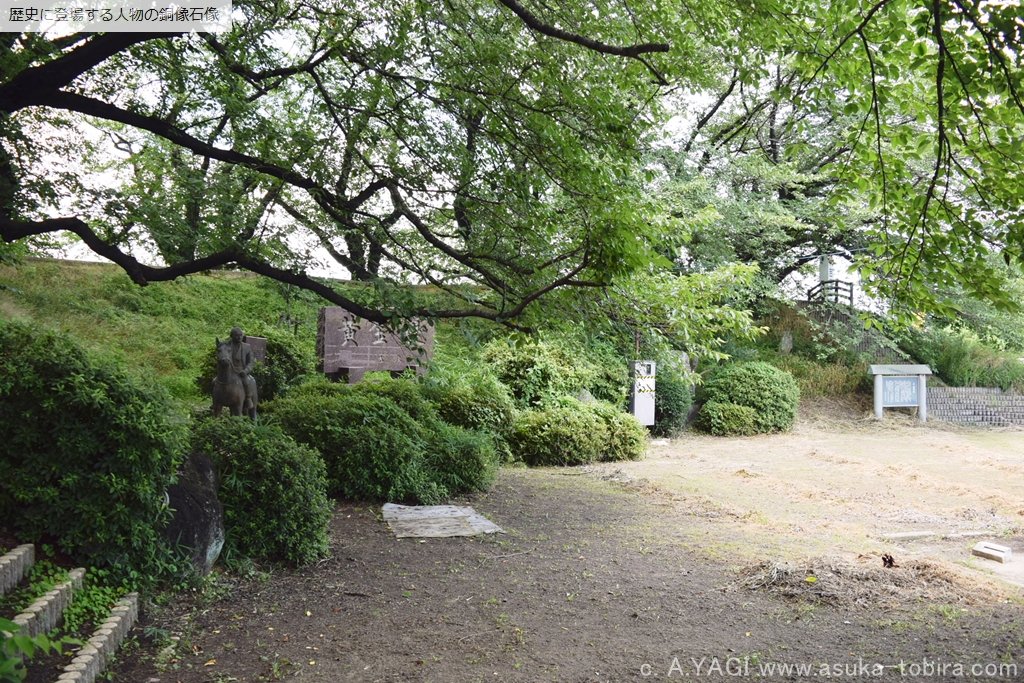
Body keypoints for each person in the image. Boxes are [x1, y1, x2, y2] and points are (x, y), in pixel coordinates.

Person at [228, 326, 258, 414]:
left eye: (241, 335)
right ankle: (216, 400)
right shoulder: (226, 345)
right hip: (229, 372)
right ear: (232, 336)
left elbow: (251, 362)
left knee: (248, 381)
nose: (239, 337)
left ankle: (248, 398)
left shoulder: (247, 347)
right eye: (237, 335)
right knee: (215, 381)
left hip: (242, 372)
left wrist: (245, 371)